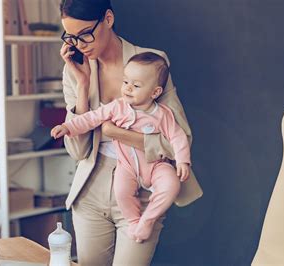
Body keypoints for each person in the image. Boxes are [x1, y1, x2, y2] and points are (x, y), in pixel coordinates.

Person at [58, 0, 203, 265]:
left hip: (142, 189)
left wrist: (116, 132)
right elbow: (79, 151)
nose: (80, 44)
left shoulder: (152, 62)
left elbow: (179, 138)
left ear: (109, 19)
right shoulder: (74, 72)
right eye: (72, 37)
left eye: (85, 34)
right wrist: (82, 85)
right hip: (90, 190)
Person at [52, 52, 191, 243]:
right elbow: (92, 118)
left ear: (155, 92)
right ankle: (134, 221)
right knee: (121, 191)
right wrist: (67, 127)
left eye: (136, 85)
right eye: (125, 82)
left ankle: (148, 219)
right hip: (126, 167)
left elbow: (178, 136)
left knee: (172, 185)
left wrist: (183, 160)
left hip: (156, 165)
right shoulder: (117, 107)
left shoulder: (162, 114)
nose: (127, 88)